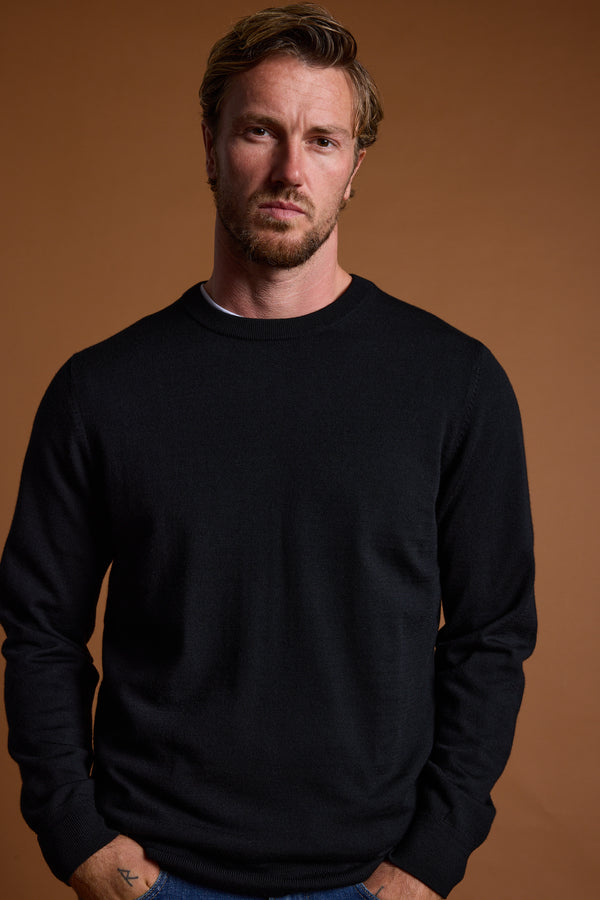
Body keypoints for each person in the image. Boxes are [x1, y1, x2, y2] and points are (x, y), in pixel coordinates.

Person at [0, 5, 536, 900]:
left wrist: (431, 860)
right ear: (210, 144)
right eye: (261, 131)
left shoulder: (456, 383)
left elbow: (491, 637)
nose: (292, 169)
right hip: (155, 877)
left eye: (323, 140)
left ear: (354, 168)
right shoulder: (102, 389)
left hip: (370, 880)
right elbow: (39, 629)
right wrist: (80, 840)